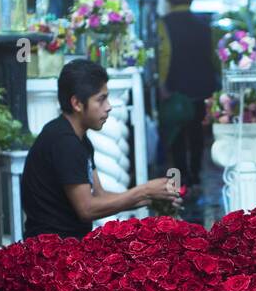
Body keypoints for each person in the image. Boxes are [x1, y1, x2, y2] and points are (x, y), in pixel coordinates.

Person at [21, 59, 179, 239]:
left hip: (73, 245)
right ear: (77, 104)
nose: (109, 107)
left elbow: (100, 195)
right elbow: (86, 209)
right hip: (52, 252)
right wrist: (142, 191)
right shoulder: (64, 142)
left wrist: (152, 198)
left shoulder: (80, 139)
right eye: (101, 99)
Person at [157, 0, 219, 201]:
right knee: (196, 135)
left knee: (176, 135)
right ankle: (196, 179)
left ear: (170, 0)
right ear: (190, 0)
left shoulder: (164, 24)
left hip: (176, 88)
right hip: (201, 88)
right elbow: (214, 57)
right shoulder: (204, 24)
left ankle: (182, 181)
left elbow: (165, 55)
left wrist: (162, 84)